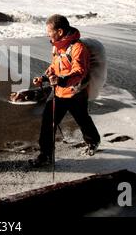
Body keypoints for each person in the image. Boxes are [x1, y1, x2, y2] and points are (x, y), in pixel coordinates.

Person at [29, 14, 101, 167]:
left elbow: (79, 72)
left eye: (49, 31)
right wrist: (43, 77)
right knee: (48, 123)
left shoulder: (78, 48)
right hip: (58, 92)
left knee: (82, 119)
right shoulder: (57, 47)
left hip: (76, 94)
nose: (47, 34)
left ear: (60, 32)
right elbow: (54, 66)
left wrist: (61, 80)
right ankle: (46, 155)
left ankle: (93, 141)